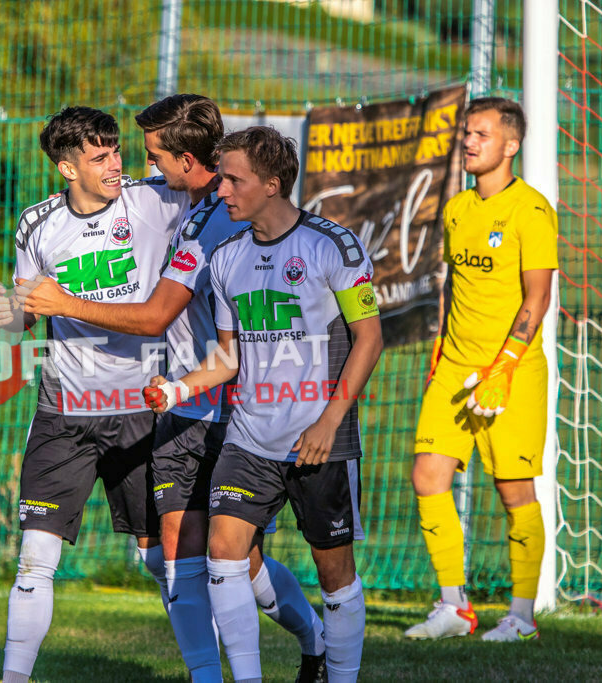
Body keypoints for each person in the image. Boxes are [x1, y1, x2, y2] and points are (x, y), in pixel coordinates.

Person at [22, 94, 326, 682]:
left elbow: (156, 316)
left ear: (186, 159)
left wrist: (64, 302)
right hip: (184, 403)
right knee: (177, 549)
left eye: (154, 156)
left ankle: (314, 641)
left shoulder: (222, 217)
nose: (143, 168)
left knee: (237, 561)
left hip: (235, 407)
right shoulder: (192, 206)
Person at [145, 126, 383, 682]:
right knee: (224, 556)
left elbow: (370, 339)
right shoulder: (226, 259)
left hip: (318, 438)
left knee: (336, 575)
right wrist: (178, 390)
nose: (222, 190)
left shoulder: (333, 245)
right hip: (249, 439)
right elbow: (228, 360)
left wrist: (328, 422)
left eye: (233, 179)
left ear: (272, 184)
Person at [0, 106, 188, 683]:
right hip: (64, 413)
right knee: (34, 560)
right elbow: (25, 314)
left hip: (143, 409)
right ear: (66, 168)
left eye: (117, 151)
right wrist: (7, 313)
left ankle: (213, 668)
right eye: (99, 158)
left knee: (163, 559)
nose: (116, 165)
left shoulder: (155, 202)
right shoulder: (36, 224)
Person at [405, 97, 557, 642]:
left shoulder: (531, 210)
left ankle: (520, 618)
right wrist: (439, 357)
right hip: (453, 367)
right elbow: (452, 291)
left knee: (514, 490)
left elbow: (536, 300)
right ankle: (454, 608)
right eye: (467, 133)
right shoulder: (457, 209)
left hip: (511, 371)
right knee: (427, 475)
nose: (469, 142)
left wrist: (506, 365)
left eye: (482, 135)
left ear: (510, 145)